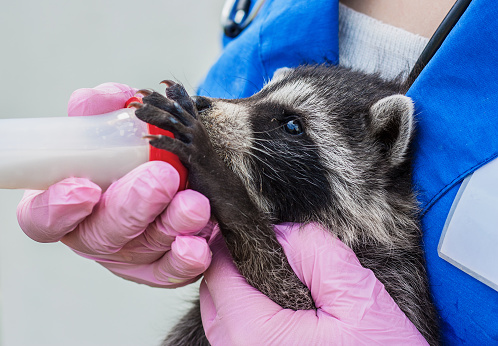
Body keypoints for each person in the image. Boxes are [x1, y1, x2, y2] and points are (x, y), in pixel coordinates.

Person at [17, 0, 498, 344]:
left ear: (384, 144)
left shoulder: (383, 259)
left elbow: (282, 285)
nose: (223, 108)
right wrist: (128, 179)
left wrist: (211, 171)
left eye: (290, 125)